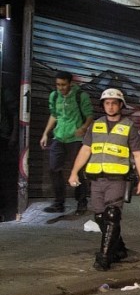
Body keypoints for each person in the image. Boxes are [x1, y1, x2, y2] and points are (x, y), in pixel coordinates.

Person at [67, 88, 140, 271]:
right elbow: (85, 150)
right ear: (103, 105)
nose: (110, 106)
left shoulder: (129, 127)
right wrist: (74, 172)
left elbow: (138, 155)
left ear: (121, 105)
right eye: (107, 103)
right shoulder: (95, 125)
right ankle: (119, 248)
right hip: (96, 180)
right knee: (100, 217)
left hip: (118, 180)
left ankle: (104, 257)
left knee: (112, 215)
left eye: (114, 103)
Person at [40, 71, 93, 214]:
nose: (61, 88)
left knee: (78, 170)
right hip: (58, 137)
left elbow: (89, 116)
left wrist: (83, 127)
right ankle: (59, 203)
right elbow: (54, 115)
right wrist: (45, 133)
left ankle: (82, 202)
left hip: (75, 139)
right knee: (54, 169)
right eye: (58, 85)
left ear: (70, 83)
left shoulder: (80, 96)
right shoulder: (54, 96)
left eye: (63, 85)